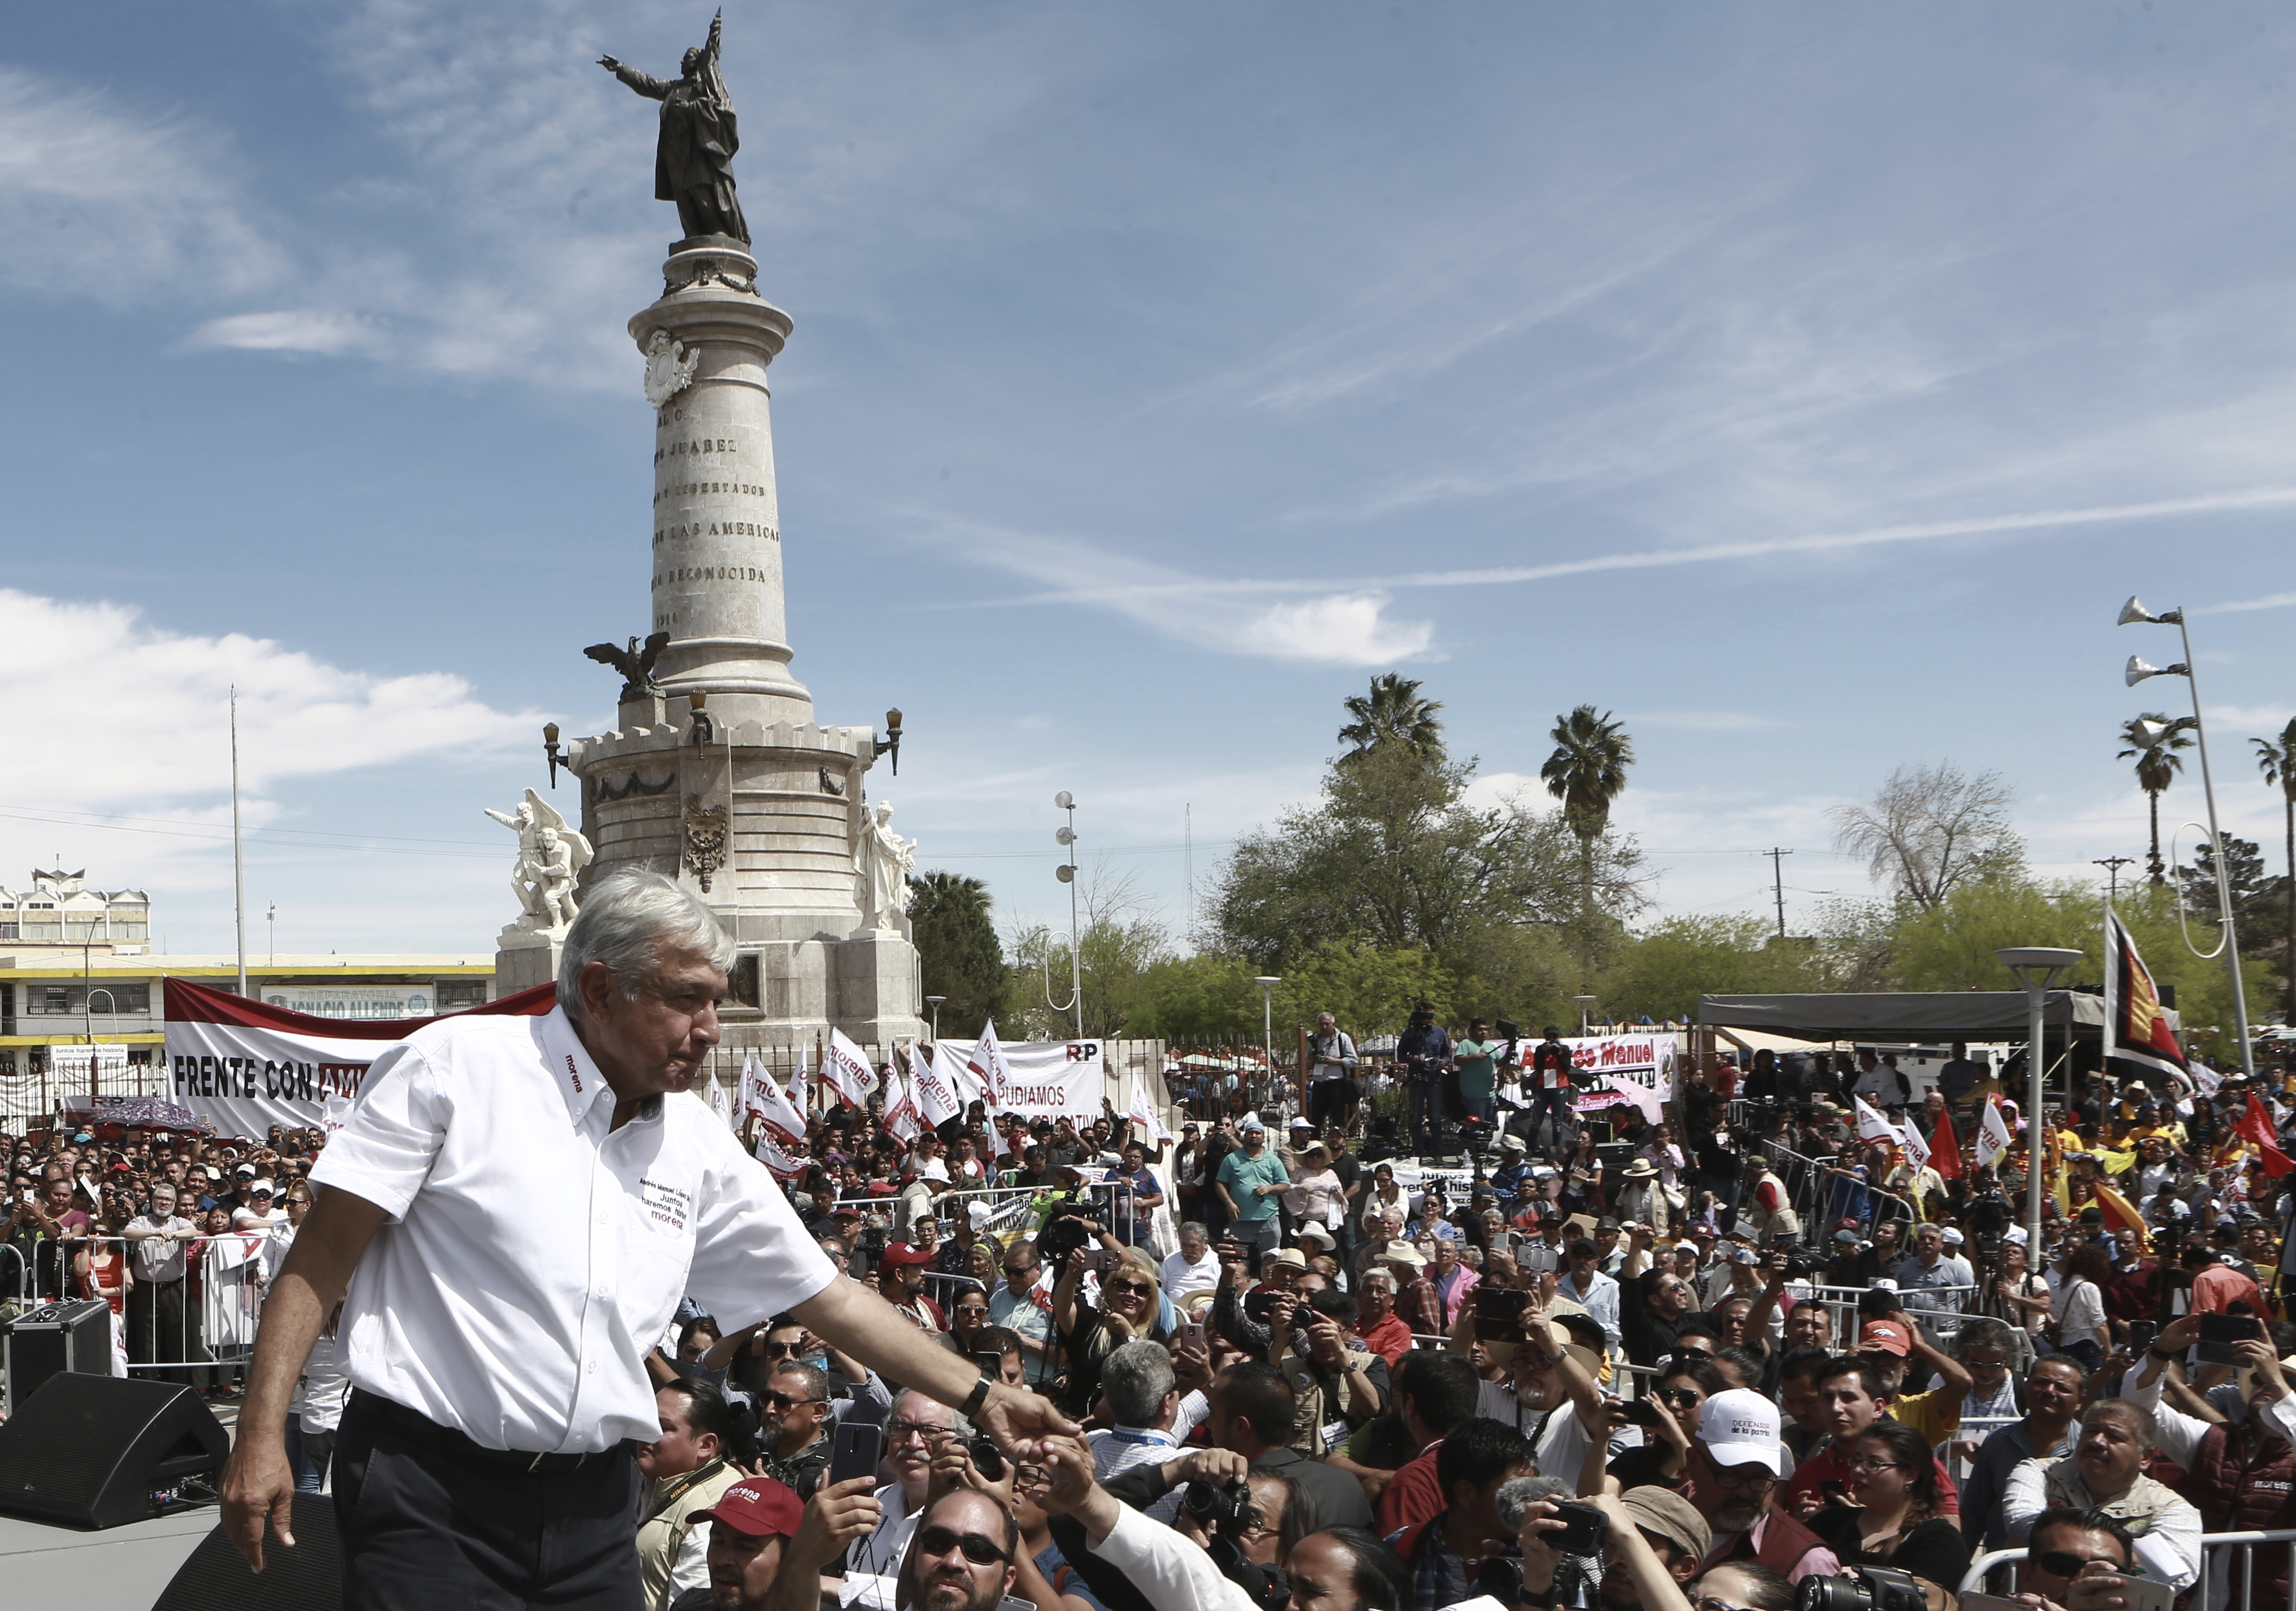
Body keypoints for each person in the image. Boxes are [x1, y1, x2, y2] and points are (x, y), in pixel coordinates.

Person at [219, 870, 1071, 1605]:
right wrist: (260, 1433)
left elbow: (829, 1293)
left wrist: (982, 1397)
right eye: (685, 998)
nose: (709, 1026)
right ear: (598, 989)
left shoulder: (695, 1139)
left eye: (716, 998)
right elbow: (320, 1257)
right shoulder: (456, 1068)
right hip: (431, 1494)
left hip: (596, 1505)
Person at [2122, 1313, 2296, 1611]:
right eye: (2259, 1377)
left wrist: (2278, 1381)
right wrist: (2160, 1352)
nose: (2266, 1384)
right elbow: (2139, 1413)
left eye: (2287, 1381)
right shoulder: (2214, 1439)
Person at [2002, 1398, 2203, 1590]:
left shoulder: (2172, 1508)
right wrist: (2119, 1562)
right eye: (2091, 1431)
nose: (2097, 1441)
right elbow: (2021, 1522)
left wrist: (2061, 1565)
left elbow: (2172, 1574)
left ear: (2145, 1457)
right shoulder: (2039, 1471)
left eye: (2114, 1436)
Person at [1805, 1418, 1972, 1611]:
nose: (1858, 1470)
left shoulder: (1939, 1541)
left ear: (1910, 1475)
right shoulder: (1830, 1521)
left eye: (1873, 1463)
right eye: (1857, 1460)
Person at [1682, 1389, 1840, 1585]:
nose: (1745, 1492)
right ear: (1693, 1462)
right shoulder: (1644, 1519)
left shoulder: (1807, 1562)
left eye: (1761, 1479)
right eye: (1730, 1477)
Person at [636, 1380, 743, 1611]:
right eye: (646, 1421)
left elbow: (695, 1603)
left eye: (663, 1427)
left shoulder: (717, 1505)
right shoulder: (650, 1478)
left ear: (706, 1445)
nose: (645, 1432)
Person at [1959, 1356, 2085, 1551]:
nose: (2049, 1391)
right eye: (2041, 1382)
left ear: (2080, 1401)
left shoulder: (2088, 1450)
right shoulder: (1998, 1442)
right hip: (2004, 1571)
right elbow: (1972, 1515)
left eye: (2062, 1388)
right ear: (2027, 1387)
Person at [671, 1477, 804, 1611]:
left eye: (745, 1547)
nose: (723, 1559)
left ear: (790, 1557)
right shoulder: (688, 1606)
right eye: (718, 1542)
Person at [124, 1180, 197, 1380]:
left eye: (168, 1199)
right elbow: (128, 1233)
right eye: (160, 1198)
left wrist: (173, 1235)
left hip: (175, 1288)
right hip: (146, 1289)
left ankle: (180, 1385)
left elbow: (193, 1233)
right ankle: (150, 1385)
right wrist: (155, 1233)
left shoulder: (180, 1222)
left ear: (174, 1203)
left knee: (177, 1338)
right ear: (152, 1200)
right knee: (148, 1339)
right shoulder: (141, 1221)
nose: (164, 1203)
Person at [758, 1359, 836, 1499]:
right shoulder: (757, 1457)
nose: (769, 1409)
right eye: (766, 1399)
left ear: (818, 1412)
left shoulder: (830, 1475)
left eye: (783, 1402)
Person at [1216, 1119, 1289, 1261]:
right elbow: (1220, 1183)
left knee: (1270, 1261)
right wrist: (1229, 1203)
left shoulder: (1273, 1160)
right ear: (1245, 1136)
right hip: (1240, 1221)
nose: (1254, 1136)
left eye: (1258, 1133)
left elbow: (1285, 1185)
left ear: (1263, 1137)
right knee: (1240, 1262)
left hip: (1269, 1220)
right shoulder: (1232, 1159)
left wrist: (1269, 1188)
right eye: (1251, 1133)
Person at [1308, 1012, 1361, 1133]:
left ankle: (1338, 1146)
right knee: (1315, 1121)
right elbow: (1307, 1065)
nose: (1324, 1027)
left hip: (1336, 1084)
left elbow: (1354, 1060)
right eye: (1322, 1024)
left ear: (1333, 1025)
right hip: (1319, 1084)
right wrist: (1312, 1059)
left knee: (1338, 1121)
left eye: (1327, 1024)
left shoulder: (1342, 1038)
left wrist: (1334, 1061)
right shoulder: (1314, 1040)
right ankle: (1315, 1148)